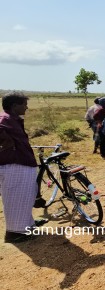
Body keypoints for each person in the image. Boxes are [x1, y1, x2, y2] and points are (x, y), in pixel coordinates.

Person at [0, 92, 44, 243]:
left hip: (21, 164)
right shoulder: (5, 119)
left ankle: (27, 225)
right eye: (24, 104)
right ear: (14, 106)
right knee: (15, 199)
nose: (26, 107)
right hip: (15, 166)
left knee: (25, 197)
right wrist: (5, 142)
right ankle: (15, 233)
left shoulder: (12, 119)